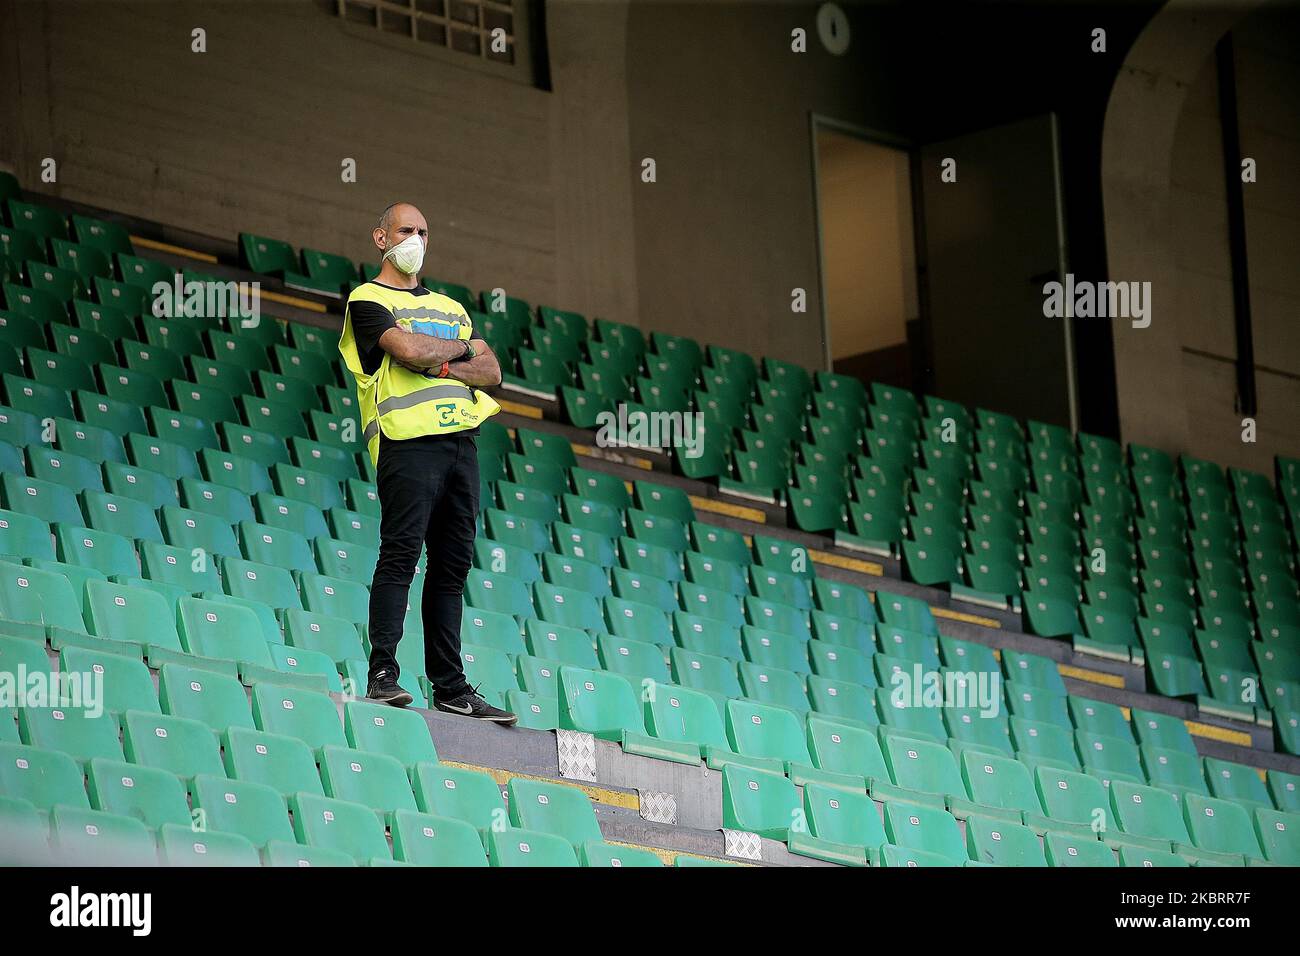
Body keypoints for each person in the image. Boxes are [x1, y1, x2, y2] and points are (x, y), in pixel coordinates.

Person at [338, 201, 516, 724]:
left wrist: (440, 360)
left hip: (462, 444)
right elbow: (408, 351)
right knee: (400, 556)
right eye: (404, 230)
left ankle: (451, 688)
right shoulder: (367, 299)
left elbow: (492, 372)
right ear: (380, 238)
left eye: (422, 231)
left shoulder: (451, 306)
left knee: (452, 568)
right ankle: (382, 675)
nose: (415, 239)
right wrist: (457, 353)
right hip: (407, 442)